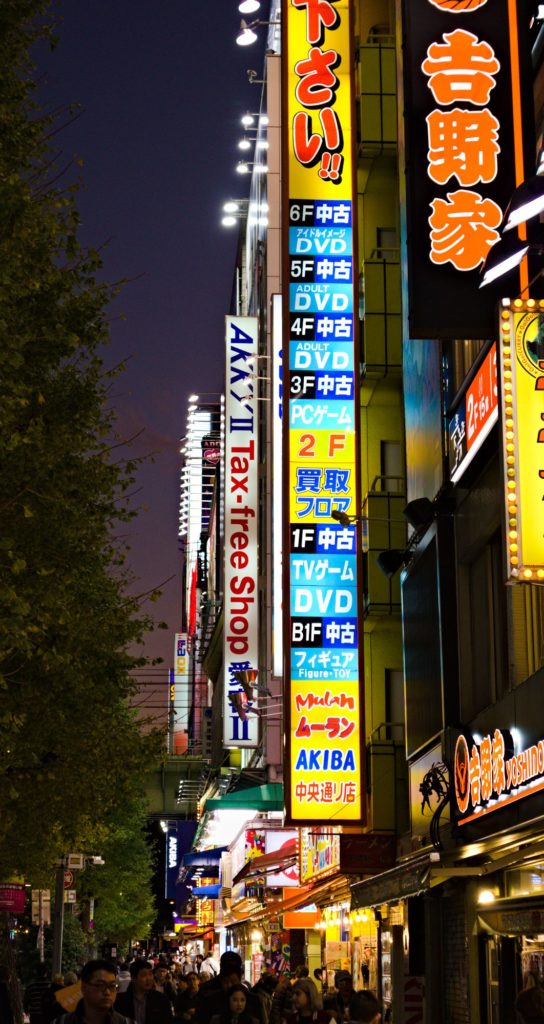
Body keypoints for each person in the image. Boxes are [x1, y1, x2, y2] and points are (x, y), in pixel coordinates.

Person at [51, 959, 132, 1024]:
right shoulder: (61, 1022)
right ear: (84, 988)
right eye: (100, 985)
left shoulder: (127, 1022)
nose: (107, 992)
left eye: (112, 986)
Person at [115, 959, 173, 1024]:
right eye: (144, 975)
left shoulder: (161, 1000)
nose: (149, 979)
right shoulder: (120, 1001)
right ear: (133, 978)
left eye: (150, 974)